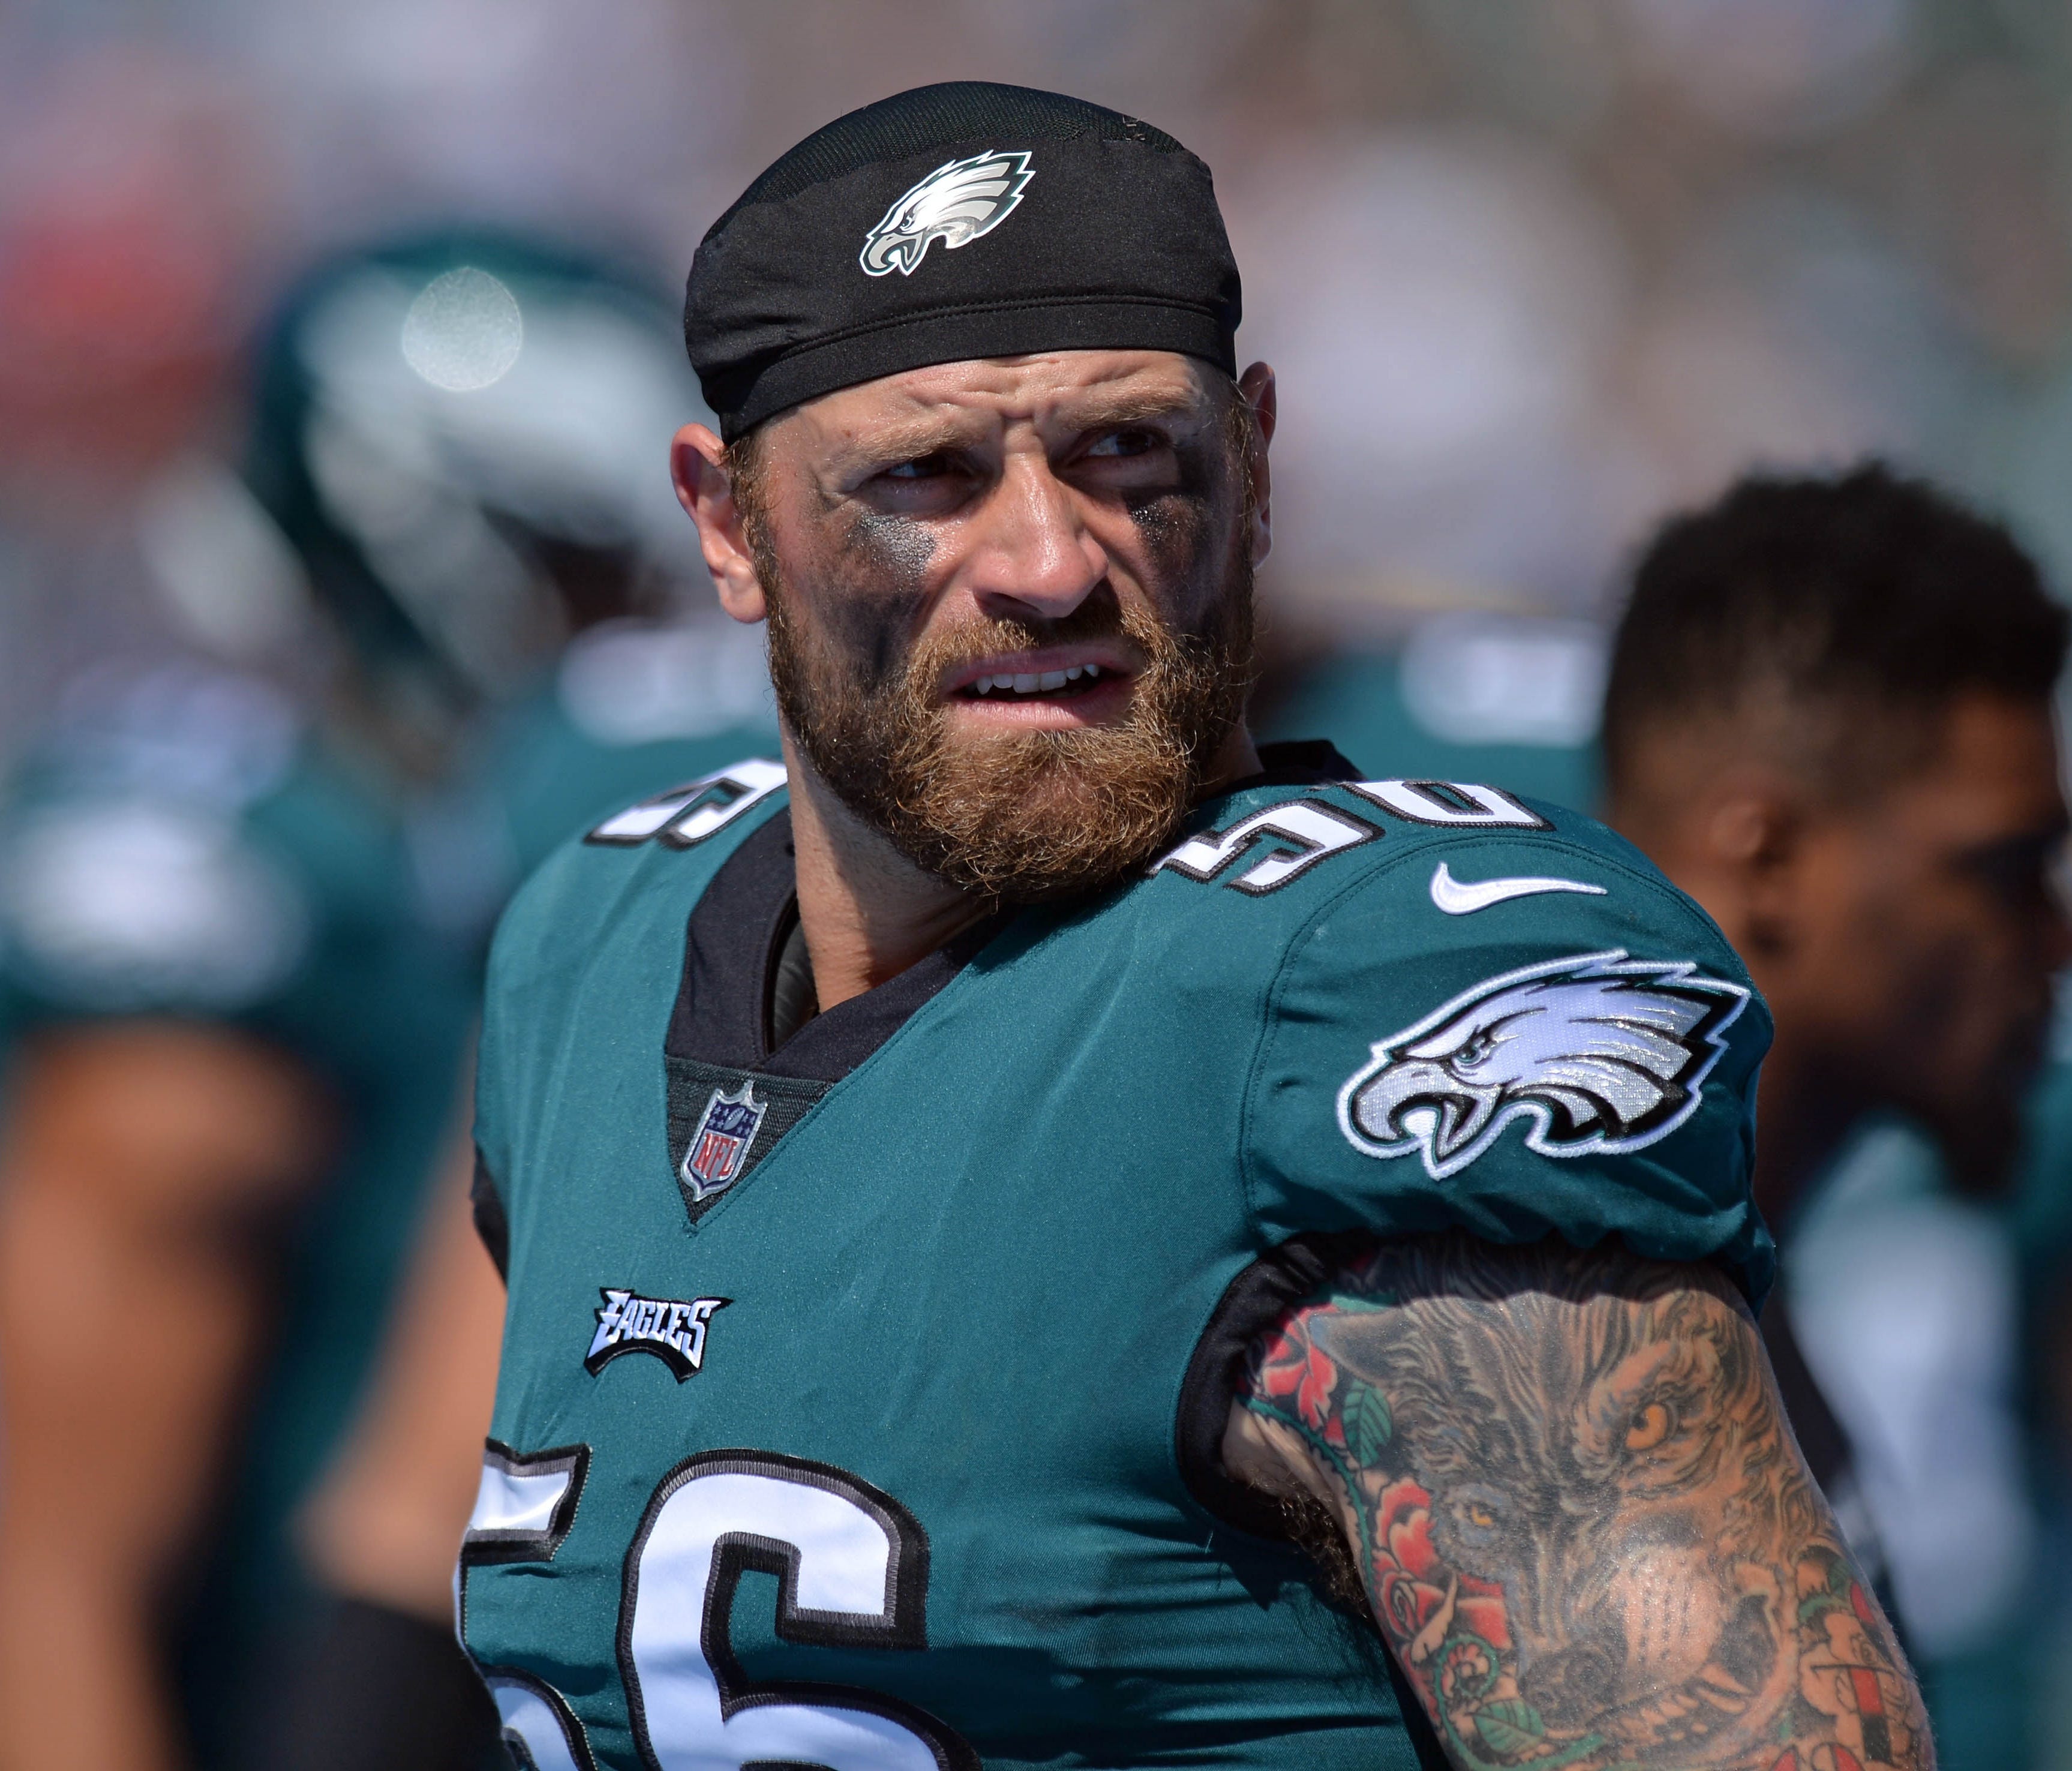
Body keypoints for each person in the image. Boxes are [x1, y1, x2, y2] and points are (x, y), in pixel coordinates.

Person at [459, 83, 1930, 1768]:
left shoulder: (1358, 992)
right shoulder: (598, 939)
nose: (1046, 560)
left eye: (1123, 455)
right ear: (727, 527)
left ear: (1249, 462)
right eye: (923, 477)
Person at [0, 232, 773, 1771]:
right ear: (424, 533)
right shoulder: (244, 909)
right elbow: (47, 1558)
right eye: (594, 553)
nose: (670, 603)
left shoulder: (668, 847)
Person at [1600, 464, 2072, 1758]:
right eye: (2002, 871)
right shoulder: (1582, 1309)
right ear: (1768, 856)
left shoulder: (1721, 1267)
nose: (2052, 939)